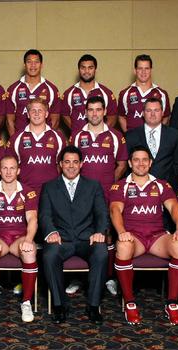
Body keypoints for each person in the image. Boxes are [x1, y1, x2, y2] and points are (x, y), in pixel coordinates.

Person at [109, 146, 178, 325]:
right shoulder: (120, 185)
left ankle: (172, 303)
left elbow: (174, 207)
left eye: (145, 159)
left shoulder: (161, 184)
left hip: (156, 237)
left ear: (151, 163)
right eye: (136, 160)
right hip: (133, 236)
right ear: (129, 163)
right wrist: (121, 232)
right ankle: (129, 303)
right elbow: (115, 210)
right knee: (123, 246)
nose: (141, 163)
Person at [40, 146, 109, 324]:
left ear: (81, 164)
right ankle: (60, 305)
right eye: (67, 162)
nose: (71, 166)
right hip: (61, 239)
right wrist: (51, 232)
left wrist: (100, 232)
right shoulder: (49, 187)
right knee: (49, 255)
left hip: (87, 239)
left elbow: (102, 214)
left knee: (101, 252)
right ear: (60, 164)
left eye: (75, 162)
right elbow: (44, 215)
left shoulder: (93, 186)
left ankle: (93, 306)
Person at [69, 95, 127, 296]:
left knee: (107, 234)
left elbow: (121, 163)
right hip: (82, 195)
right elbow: (71, 164)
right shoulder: (77, 136)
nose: (94, 113)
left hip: (106, 193)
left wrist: (111, 182)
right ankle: (79, 277)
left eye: (98, 109)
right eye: (90, 109)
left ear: (104, 112)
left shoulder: (115, 136)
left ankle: (108, 277)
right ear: (85, 112)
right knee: (82, 233)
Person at [0, 156, 38, 323]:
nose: (8, 172)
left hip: (19, 238)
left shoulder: (28, 191)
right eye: (4, 168)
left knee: (30, 252)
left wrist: (28, 239)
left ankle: (26, 302)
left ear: (18, 170)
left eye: (12, 168)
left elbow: (33, 219)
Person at [6, 98, 66, 194]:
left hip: (52, 192)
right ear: (28, 114)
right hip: (24, 192)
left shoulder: (58, 137)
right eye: (33, 111)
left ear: (46, 114)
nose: (36, 114)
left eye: (40, 111)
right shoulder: (16, 138)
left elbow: (62, 166)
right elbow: (9, 167)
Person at [125, 97, 178, 188]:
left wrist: (169, 181)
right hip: (138, 187)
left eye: (156, 110)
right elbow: (127, 164)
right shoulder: (130, 136)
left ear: (162, 113)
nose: (152, 114)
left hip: (168, 187)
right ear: (143, 113)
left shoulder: (175, 135)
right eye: (149, 110)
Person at [6, 49, 60, 136]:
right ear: (24, 65)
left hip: (45, 141)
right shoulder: (13, 89)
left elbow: (55, 120)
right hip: (21, 141)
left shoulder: (52, 89)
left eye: (36, 62)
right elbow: (9, 121)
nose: (33, 65)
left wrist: (47, 139)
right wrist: (15, 141)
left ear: (41, 65)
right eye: (29, 62)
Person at [61, 54, 117, 135]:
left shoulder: (106, 93)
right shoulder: (68, 93)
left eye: (90, 68)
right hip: (77, 140)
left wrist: (101, 133)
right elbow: (64, 115)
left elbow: (113, 116)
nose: (86, 71)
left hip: (101, 141)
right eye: (83, 68)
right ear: (79, 69)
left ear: (95, 69)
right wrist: (76, 130)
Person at [118, 54, 170, 132]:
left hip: (155, 141)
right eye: (140, 68)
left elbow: (166, 117)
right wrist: (129, 134)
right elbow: (121, 117)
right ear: (135, 70)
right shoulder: (125, 93)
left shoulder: (161, 94)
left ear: (151, 70)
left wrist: (157, 133)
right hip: (133, 141)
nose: (143, 72)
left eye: (147, 68)